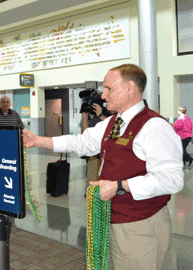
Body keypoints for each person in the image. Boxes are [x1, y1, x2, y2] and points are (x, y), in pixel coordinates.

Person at [24, 64, 184, 270]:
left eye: (109, 88)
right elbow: (81, 142)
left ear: (129, 87)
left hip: (139, 225)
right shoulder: (113, 122)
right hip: (113, 219)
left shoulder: (154, 126)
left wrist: (119, 186)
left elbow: (172, 179)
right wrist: (37, 140)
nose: (103, 94)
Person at [81, 103, 116, 196]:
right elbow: (85, 134)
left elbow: (114, 125)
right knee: (91, 183)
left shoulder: (114, 117)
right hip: (94, 156)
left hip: (108, 156)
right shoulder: (93, 117)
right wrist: (85, 116)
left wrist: (100, 115)